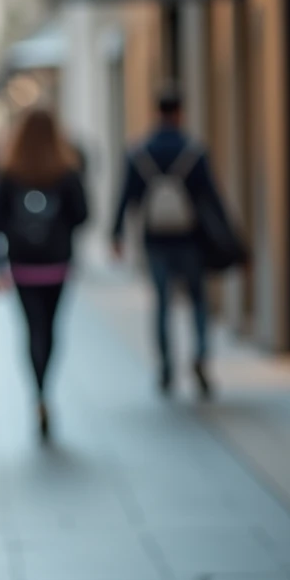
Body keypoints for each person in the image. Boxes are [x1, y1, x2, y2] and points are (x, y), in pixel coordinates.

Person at [112, 87, 228, 400]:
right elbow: (212, 198)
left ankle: (166, 367)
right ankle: (200, 356)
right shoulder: (194, 151)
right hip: (190, 238)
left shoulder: (139, 152)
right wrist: (228, 236)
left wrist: (116, 233)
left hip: (155, 239)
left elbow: (125, 195)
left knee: (162, 303)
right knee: (198, 300)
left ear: (156, 112)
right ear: (180, 113)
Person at [0, 108, 88, 440]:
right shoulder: (67, 171)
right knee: (50, 326)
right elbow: (82, 215)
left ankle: (38, 391)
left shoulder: (9, 172)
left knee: (32, 328)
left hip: (23, 265)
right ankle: (46, 387)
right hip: (56, 265)